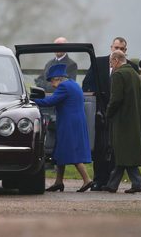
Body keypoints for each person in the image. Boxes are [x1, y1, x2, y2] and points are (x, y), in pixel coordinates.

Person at [82, 37, 139, 191]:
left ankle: (111, 182)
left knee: (116, 149)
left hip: (120, 114)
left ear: (126, 51)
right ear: (111, 47)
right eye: (116, 47)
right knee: (101, 147)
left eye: (122, 48)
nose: (119, 50)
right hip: (101, 112)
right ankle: (99, 180)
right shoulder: (98, 62)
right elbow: (87, 84)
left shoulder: (132, 67)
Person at [33, 64, 93, 192]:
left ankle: (87, 179)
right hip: (75, 121)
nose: (52, 85)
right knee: (61, 150)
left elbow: (50, 102)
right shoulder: (73, 84)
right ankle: (58, 182)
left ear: (57, 79)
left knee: (72, 150)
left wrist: (32, 100)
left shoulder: (63, 87)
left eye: (51, 81)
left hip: (69, 123)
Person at [102, 50, 141, 193]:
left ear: (116, 60)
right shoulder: (135, 75)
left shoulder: (118, 75)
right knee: (124, 153)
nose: (111, 65)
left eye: (111, 62)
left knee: (124, 153)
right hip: (133, 121)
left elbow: (115, 99)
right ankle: (113, 185)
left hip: (121, 121)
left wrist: (108, 114)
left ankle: (138, 184)